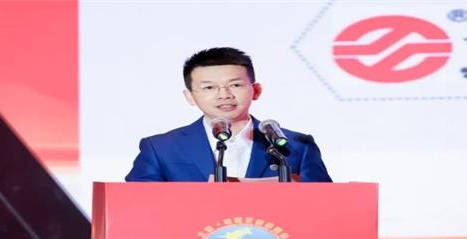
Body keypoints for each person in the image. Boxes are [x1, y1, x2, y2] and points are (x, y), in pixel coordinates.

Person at [125, 47, 332, 182]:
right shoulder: (161, 148)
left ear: (256, 90)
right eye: (209, 87)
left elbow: (324, 206)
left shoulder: (297, 145)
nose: (224, 95)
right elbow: (136, 205)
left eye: (235, 85)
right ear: (190, 96)